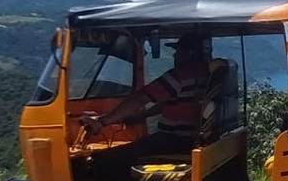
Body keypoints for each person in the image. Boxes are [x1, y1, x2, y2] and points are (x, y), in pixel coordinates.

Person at [80, 35, 210, 171]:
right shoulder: (204, 74)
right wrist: (140, 117)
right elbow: (169, 103)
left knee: (104, 160)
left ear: (189, 53)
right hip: (190, 140)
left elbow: (139, 99)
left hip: (172, 141)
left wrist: (101, 122)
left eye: (178, 51)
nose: (174, 55)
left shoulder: (178, 77)